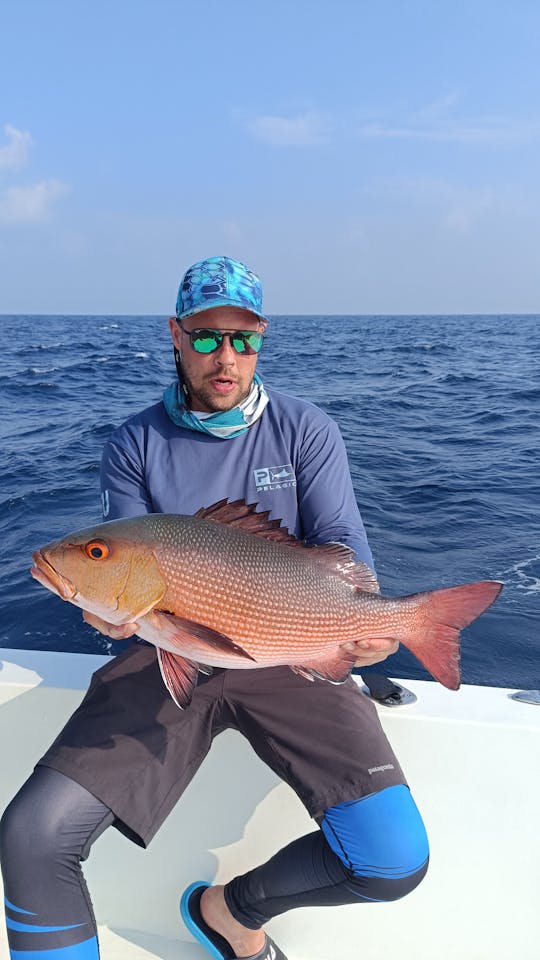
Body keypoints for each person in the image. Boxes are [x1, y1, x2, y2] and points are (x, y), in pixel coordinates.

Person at [0, 256, 429, 960]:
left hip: (287, 644)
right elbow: (123, 563)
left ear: (261, 338)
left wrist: (368, 619)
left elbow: (343, 546)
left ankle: (232, 912)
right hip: (167, 648)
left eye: (242, 338)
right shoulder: (134, 443)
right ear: (175, 335)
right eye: (205, 337)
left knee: (392, 860)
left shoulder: (305, 430)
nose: (224, 357)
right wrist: (109, 611)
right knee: (31, 836)